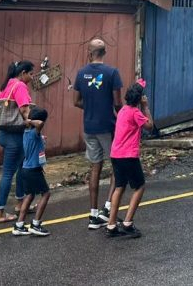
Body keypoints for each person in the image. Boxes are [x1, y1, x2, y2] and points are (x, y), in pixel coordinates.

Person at [73, 38, 123, 229]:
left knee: (95, 167)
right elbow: (118, 103)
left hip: (89, 127)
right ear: (105, 53)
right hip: (108, 126)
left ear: (89, 52)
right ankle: (108, 208)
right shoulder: (112, 73)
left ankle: (93, 215)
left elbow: (76, 101)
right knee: (116, 165)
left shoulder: (81, 73)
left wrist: (91, 106)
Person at [106, 82, 153, 239]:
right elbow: (150, 126)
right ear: (139, 98)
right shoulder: (135, 113)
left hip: (116, 154)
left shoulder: (123, 111)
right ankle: (127, 222)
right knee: (139, 187)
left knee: (119, 187)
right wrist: (145, 106)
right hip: (128, 155)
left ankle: (111, 224)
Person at [0, 60, 33, 223]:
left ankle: (20, 202)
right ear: (23, 73)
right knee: (9, 172)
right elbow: (24, 109)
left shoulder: (7, 84)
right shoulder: (20, 86)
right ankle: (0, 212)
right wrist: (33, 125)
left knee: (21, 168)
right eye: (30, 73)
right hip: (14, 136)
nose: (31, 77)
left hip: (3, 133)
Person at [12, 107, 51, 237]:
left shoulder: (27, 132)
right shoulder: (34, 131)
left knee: (29, 195)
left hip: (26, 168)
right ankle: (36, 224)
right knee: (46, 194)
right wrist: (30, 120)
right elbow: (40, 124)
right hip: (33, 169)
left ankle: (19, 225)